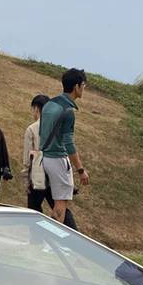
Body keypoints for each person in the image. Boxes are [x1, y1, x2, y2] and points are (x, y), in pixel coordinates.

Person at [38, 68, 90, 229]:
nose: (84, 88)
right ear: (76, 86)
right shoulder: (68, 111)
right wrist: (80, 169)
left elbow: (41, 131)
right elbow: (68, 143)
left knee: (56, 203)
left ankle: (51, 237)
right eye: (83, 85)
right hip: (58, 160)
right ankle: (51, 238)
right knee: (60, 205)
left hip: (44, 157)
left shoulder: (49, 104)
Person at [24, 93, 50, 212]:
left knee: (34, 210)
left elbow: (27, 158)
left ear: (36, 108)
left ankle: (39, 231)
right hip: (55, 173)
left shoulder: (32, 129)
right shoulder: (56, 127)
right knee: (60, 209)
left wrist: (26, 179)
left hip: (37, 175)